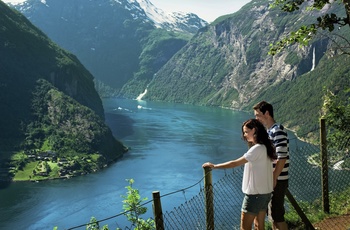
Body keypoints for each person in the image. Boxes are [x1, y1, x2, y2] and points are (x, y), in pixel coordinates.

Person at [202, 119, 276, 230]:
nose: (244, 135)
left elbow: (235, 163)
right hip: (265, 193)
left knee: (245, 227)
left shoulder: (256, 149)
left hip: (255, 195)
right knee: (259, 225)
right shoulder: (266, 147)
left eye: (246, 132)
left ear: (254, 130)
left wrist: (215, 166)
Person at [253, 101, 290, 230]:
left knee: (277, 215)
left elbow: (282, 157)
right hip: (274, 179)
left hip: (278, 180)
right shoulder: (269, 132)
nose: (256, 119)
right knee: (273, 215)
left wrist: (274, 177)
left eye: (258, 115)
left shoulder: (277, 130)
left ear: (267, 113)